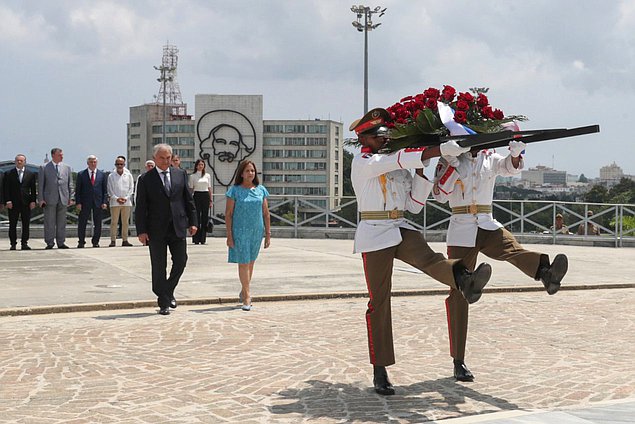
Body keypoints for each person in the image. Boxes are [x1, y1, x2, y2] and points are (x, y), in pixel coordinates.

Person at [350, 108, 493, 396]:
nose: (385, 139)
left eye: (387, 135)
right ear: (364, 137)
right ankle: (380, 368)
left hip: (399, 225)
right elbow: (393, 159)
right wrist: (435, 150)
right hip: (374, 232)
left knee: (430, 259)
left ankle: (464, 279)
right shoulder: (364, 160)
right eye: (379, 136)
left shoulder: (395, 162)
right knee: (380, 301)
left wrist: (423, 170)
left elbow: (414, 205)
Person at [432, 126, 568, 382]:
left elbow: (510, 167)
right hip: (461, 226)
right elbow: (439, 195)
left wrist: (516, 151)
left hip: (486, 222)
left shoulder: (489, 158)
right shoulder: (449, 159)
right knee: (458, 293)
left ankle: (545, 273)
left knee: (511, 248)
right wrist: (450, 161)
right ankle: (458, 360)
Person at [135, 144, 197, 315]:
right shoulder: (145, 179)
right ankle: (164, 302)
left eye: (168, 157)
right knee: (158, 265)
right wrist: (141, 231)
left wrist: (193, 222)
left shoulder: (180, 174)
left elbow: (188, 200)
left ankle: (167, 291)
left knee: (181, 260)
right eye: (162, 158)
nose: (165, 161)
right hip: (156, 229)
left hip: (178, 226)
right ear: (155, 158)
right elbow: (141, 207)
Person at [225, 160, 271, 312]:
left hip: (256, 231)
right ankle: (247, 296)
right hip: (240, 231)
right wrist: (229, 235)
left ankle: (244, 289)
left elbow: (266, 213)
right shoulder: (234, 190)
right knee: (243, 262)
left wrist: (268, 234)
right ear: (241, 173)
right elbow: (229, 214)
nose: (250, 173)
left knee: (251, 262)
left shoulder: (261, 190)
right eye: (247, 171)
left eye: (252, 170)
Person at [38, 147, 74, 249]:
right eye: (60, 155)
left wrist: (71, 197)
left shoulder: (67, 167)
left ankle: (61, 242)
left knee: (62, 222)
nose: (62, 156)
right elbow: (40, 185)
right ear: (53, 155)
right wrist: (41, 199)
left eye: (62, 155)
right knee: (49, 222)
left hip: (63, 198)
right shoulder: (44, 167)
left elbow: (70, 183)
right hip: (49, 198)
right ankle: (49, 242)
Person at [3, 154, 37, 250]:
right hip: (13, 203)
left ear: (25, 162)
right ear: (15, 161)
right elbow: (6, 189)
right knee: (12, 224)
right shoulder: (9, 173)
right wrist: (7, 201)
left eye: (21, 160)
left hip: (26, 203)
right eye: (17, 160)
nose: (19, 162)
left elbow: (33, 189)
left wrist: (33, 201)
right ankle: (13, 243)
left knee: (26, 224)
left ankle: (24, 243)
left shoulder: (30, 174)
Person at [75, 155, 108, 248]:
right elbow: (78, 190)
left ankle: (95, 241)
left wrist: (104, 202)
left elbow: (105, 190)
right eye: (91, 162)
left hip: (98, 202)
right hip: (85, 202)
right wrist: (78, 202)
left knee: (98, 223)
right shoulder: (81, 174)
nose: (93, 164)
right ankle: (81, 241)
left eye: (94, 162)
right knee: (82, 223)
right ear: (87, 163)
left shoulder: (102, 174)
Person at [107, 156, 135, 247]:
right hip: (115, 202)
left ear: (124, 164)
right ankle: (113, 240)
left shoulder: (128, 175)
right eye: (118, 164)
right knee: (114, 222)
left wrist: (126, 198)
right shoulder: (111, 175)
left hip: (126, 202)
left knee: (125, 222)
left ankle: (125, 239)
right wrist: (117, 198)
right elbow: (110, 189)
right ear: (115, 165)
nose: (119, 166)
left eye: (121, 164)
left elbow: (131, 188)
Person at [189, 159, 213, 245]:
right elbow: (191, 189)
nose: (200, 166)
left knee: (204, 217)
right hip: (197, 196)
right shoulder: (192, 176)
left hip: (205, 195)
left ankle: (203, 239)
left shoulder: (207, 176)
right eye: (199, 165)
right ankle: (196, 238)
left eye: (202, 165)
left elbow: (209, 188)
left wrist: (210, 200)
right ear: (196, 166)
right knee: (196, 217)